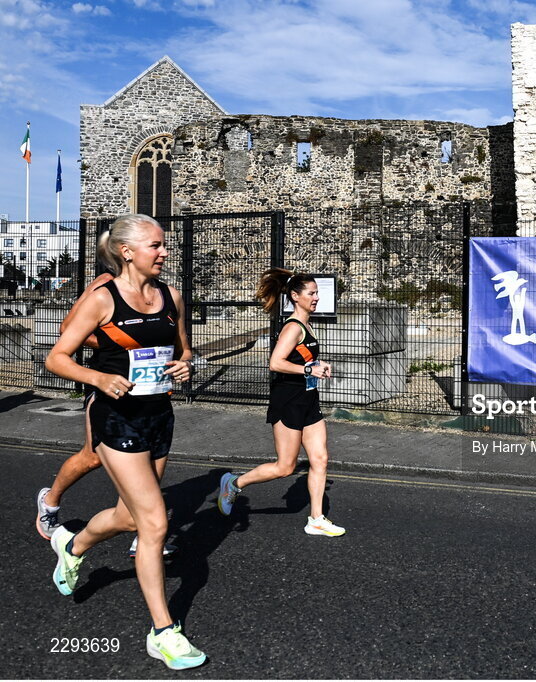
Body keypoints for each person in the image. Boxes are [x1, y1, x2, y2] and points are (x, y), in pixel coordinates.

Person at [44, 214, 207, 669]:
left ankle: (71, 546)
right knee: (155, 523)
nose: (165, 252)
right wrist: (98, 376)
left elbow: (183, 349)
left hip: (159, 415)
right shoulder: (102, 299)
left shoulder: (171, 296)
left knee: (129, 518)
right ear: (127, 251)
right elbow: (56, 357)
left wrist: (185, 365)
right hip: (115, 419)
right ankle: (163, 631)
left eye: (165, 245)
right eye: (156, 245)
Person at [216, 268, 345, 537]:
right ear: (295, 296)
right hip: (287, 402)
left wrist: (318, 365)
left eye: (317, 292)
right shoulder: (292, 327)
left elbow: (299, 360)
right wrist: (309, 371)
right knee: (285, 467)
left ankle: (316, 519)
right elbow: (275, 363)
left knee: (320, 459)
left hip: (308, 400)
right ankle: (234, 484)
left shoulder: (308, 324)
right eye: (311, 293)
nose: (316, 297)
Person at [34, 272, 113, 539]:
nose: (162, 253)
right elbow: (67, 329)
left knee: (147, 459)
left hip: (145, 391)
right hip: (105, 379)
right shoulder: (105, 282)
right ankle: (50, 500)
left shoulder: (157, 291)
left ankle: (148, 532)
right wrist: (115, 343)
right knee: (94, 457)